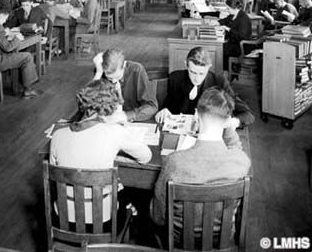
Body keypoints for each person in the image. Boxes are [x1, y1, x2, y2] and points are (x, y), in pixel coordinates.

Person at [151, 87, 251, 239]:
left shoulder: (174, 162)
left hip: (180, 239)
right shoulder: (241, 161)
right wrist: (229, 128)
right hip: (221, 239)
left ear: (196, 116)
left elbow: (158, 217)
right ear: (227, 122)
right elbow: (236, 149)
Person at [50, 78, 152, 223]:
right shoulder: (114, 132)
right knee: (123, 193)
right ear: (109, 108)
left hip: (63, 217)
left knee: (116, 185)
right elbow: (146, 157)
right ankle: (129, 212)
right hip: (102, 221)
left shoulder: (57, 135)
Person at [155, 47, 254, 128]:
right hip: (179, 132)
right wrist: (164, 111)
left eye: (202, 73)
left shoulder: (219, 81)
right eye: (193, 72)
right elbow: (167, 106)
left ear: (209, 67)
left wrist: (233, 122)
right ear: (186, 65)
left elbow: (247, 115)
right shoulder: (175, 78)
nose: (197, 79)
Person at [0, 7, 41, 98]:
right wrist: (17, 38)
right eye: (5, 19)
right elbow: (8, 48)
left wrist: (6, 34)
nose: (4, 22)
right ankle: (28, 90)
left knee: (17, 55)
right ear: (1, 15)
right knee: (27, 57)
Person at [93, 49, 158, 122]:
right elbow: (89, 104)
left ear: (123, 66)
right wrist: (98, 74)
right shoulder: (101, 72)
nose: (114, 81)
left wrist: (126, 116)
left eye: (117, 77)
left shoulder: (136, 70)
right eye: (110, 78)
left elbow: (152, 107)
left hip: (134, 123)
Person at [219, 0, 252, 70]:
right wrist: (217, 22)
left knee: (220, 49)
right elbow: (226, 20)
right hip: (233, 42)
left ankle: (226, 71)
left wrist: (227, 28)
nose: (227, 10)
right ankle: (223, 70)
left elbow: (242, 36)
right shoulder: (233, 14)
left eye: (228, 8)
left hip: (241, 45)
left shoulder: (243, 18)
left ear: (235, 8)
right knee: (221, 47)